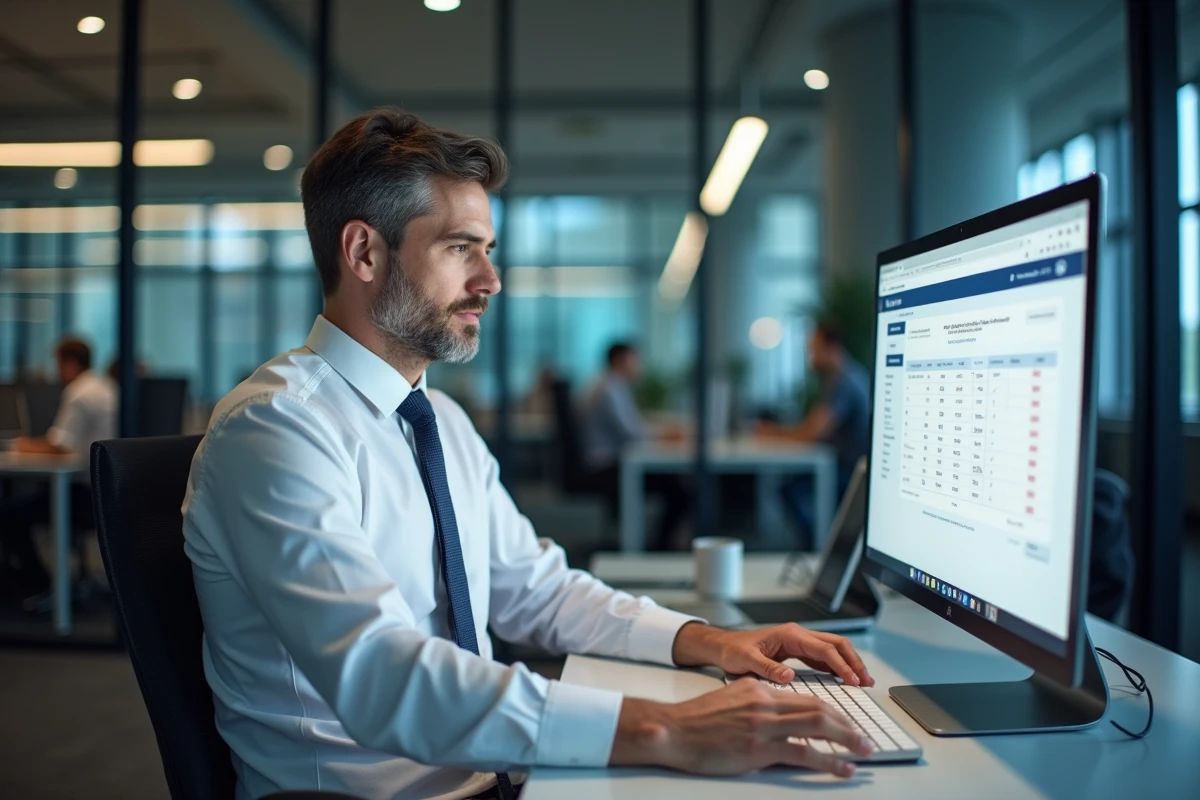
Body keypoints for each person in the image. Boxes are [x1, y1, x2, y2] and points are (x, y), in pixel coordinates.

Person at [183, 108, 876, 800]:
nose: (490, 280)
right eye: (460, 248)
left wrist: (709, 640)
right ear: (364, 253)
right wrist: (666, 728)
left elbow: (534, 589)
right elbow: (379, 675)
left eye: (489, 249)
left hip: (495, 776)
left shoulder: (439, 420)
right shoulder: (276, 430)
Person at [0, 337, 117, 599]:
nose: (57, 372)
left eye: (58, 364)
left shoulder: (79, 392)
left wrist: (20, 446)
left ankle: (38, 582)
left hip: (84, 495)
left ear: (71, 363)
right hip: (109, 493)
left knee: (9, 515)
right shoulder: (106, 387)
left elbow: (59, 445)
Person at [758, 319, 871, 547]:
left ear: (832, 348)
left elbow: (812, 432)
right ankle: (818, 544)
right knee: (790, 486)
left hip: (850, 472)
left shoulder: (845, 383)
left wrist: (772, 433)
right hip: (842, 464)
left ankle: (817, 547)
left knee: (790, 489)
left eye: (815, 349)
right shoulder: (842, 377)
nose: (810, 356)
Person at [579, 342, 690, 550]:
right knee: (677, 488)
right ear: (619, 361)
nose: (639, 366)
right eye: (635, 360)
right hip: (604, 464)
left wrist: (661, 432)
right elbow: (631, 433)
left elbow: (634, 426)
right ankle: (661, 545)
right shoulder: (609, 389)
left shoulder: (613, 386)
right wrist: (665, 435)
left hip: (611, 459)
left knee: (675, 484)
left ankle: (661, 543)